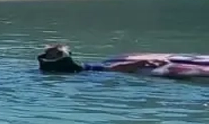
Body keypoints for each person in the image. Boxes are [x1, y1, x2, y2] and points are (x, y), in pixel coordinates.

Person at [37, 45, 209, 77]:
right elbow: (114, 69)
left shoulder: (46, 68)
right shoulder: (66, 65)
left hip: (97, 70)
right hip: (97, 72)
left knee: (110, 67)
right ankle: (140, 64)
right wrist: (140, 64)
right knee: (112, 68)